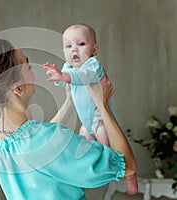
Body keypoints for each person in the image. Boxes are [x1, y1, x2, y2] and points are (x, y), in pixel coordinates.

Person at [0, 38, 137, 199]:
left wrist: (69, 102)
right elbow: (127, 166)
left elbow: (39, 144)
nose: (33, 70)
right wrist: (102, 103)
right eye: (28, 65)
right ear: (17, 88)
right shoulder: (46, 140)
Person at [43, 23, 138, 194]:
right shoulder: (68, 67)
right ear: (64, 51)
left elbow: (83, 76)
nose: (74, 50)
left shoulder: (92, 65)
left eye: (81, 44)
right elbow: (64, 79)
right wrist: (56, 77)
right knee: (81, 148)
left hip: (99, 119)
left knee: (109, 150)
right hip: (86, 123)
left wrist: (64, 76)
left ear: (94, 49)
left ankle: (129, 175)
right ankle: (82, 180)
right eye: (69, 46)